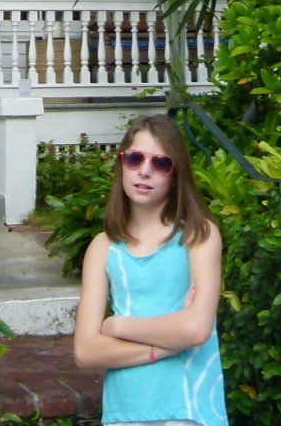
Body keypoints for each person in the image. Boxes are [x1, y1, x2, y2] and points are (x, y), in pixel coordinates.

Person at [72, 114, 230, 426]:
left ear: (175, 173)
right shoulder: (102, 248)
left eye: (161, 163)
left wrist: (118, 327)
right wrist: (167, 345)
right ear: (121, 164)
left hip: (188, 408)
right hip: (125, 410)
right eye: (134, 158)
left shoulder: (198, 235)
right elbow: (86, 351)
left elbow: (197, 329)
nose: (145, 171)